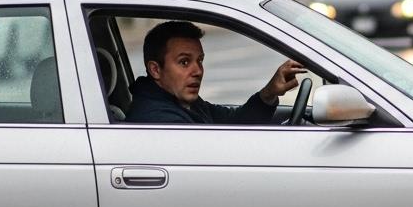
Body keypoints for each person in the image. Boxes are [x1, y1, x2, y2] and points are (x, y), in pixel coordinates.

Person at [126, 20, 307, 124]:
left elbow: (234, 122)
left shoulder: (183, 103)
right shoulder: (160, 121)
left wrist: (270, 92)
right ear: (156, 70)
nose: (198, 71)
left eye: (200, 60)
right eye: (184, 62)